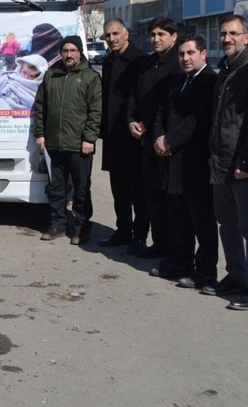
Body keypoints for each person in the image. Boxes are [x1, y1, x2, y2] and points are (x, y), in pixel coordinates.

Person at [207, 15, 248, 310]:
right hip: (221, 161)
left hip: (243, 165)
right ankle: (236, 275)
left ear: (247, 37)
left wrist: (247, 161)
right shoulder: (226, 69)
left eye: (233, 33)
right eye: (223, 34)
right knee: (227, 225)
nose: (227, 39)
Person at [150, 36, 218, 289]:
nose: (185, 58)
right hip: (172, 161)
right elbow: (162, 112)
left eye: (191, 53)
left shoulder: (209, 81)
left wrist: (170, 140)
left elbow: (198, 120)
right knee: (178, 218)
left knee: (202, 221)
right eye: (181, 54)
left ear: (203, 54)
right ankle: (181, 263)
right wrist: (159, 138)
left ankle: (206, 272)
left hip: (195, 162)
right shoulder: (179, 81)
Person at [33, 36, 102, 245]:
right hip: (54, 144)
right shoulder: (51, 76)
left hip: (80, 145)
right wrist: (40, 133)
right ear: (60, 53)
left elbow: (96, 110)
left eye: (73, 50)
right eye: (65, 50)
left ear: (79, 52)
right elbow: (40, 107)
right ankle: (58, 225)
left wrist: (90, 137)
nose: (69, 54)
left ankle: (82, 228)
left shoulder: (90, 77)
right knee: (56, 188)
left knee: (81, 189)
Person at [125, 17, 181, 257]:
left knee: (170, 199)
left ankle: (174, 248)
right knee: (151, 195)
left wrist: (148, 125)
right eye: (153, 35)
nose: (156, 39)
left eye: (161, 34)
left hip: (166, 141)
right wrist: (131, 121)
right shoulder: (148, 63)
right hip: (144, 141)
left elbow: (166, 104)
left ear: (174, 36)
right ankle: (158, 243)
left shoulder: (178, 64)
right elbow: (133, 96)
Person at [97, 18, 148, 250]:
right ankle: (123, 229)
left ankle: (140, 235)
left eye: (116, 34)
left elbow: (142, 98)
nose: (112, 39)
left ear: (126, 34)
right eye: (108, 36)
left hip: (133, 136)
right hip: (112, 135)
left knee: (138, 190)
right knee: (119, 190)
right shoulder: (108, 61)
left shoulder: (140, 61)